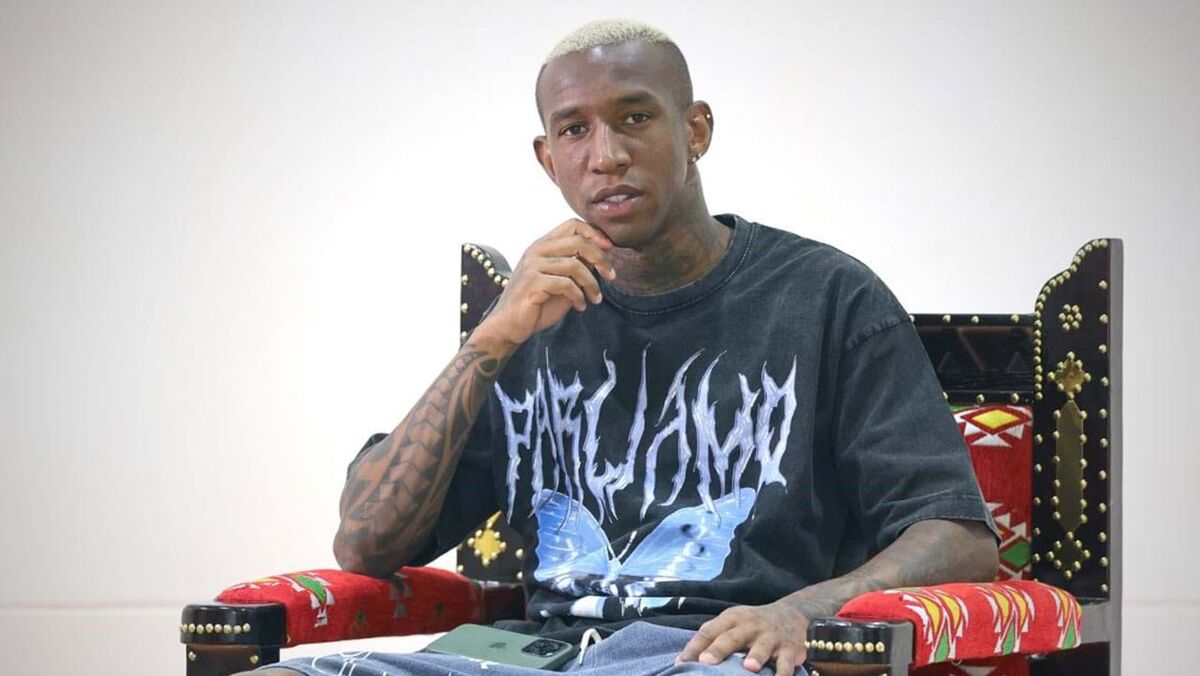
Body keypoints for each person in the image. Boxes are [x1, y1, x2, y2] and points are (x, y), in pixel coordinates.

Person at [249, 19, 998, 676]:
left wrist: (806, 608)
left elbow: (960, 538)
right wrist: (491, 337)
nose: (605, 155)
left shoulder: (826, 297)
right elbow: (366, 546)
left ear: (695, 130)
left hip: (715, 657)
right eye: (574, 130)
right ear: (548, 159)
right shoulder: (527, 320)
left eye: (634, 117)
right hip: (529, 657)